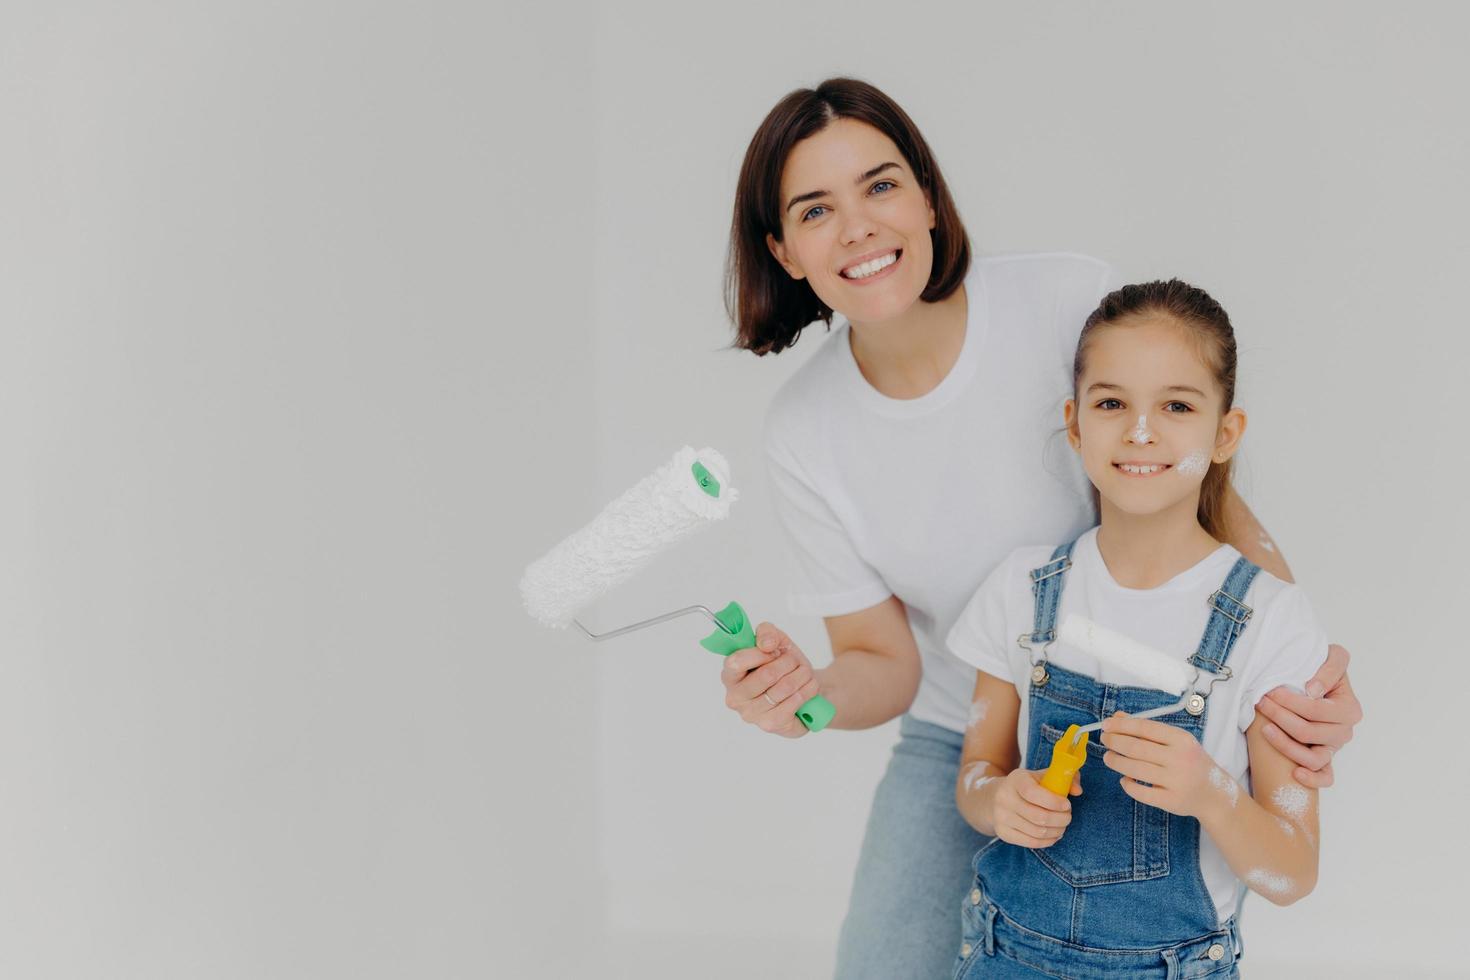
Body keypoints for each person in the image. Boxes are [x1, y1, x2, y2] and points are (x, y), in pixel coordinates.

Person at [719, 77, 1362, 980]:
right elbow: (881, 661)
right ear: (784, 251)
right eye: (816, 209)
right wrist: (807, 701)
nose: (859, 228)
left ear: (930, 199)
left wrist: (1304, 684)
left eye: (881, 185)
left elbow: (1216, 506)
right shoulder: (805, 429)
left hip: (1161, 707)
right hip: (970, 728)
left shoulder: (1064, 301)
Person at [947, 279, 1320, 978]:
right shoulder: (1022, 590)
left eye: (1176, 405)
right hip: (1005, 954)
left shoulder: (1271, 620)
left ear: (1225, 434)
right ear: (1076, 423)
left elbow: (1293, 872)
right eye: (1112, 403)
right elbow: (974, 778)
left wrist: (1211, 792)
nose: (1140, 431)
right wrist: (999, 802)